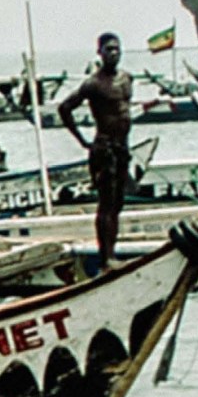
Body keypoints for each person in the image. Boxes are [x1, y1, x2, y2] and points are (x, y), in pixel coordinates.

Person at [58, 32, 133, 265]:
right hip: (104, 148)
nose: (113, 53)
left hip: (122, 147)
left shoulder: (127, 79)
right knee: (106, 203)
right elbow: (65, 108)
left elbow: (125, 112)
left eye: (117, 49)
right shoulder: (93, 83)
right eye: (109, 49)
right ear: (100, 53)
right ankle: (106, 256)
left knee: (118, 202)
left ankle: (113, 251)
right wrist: (82, 140)